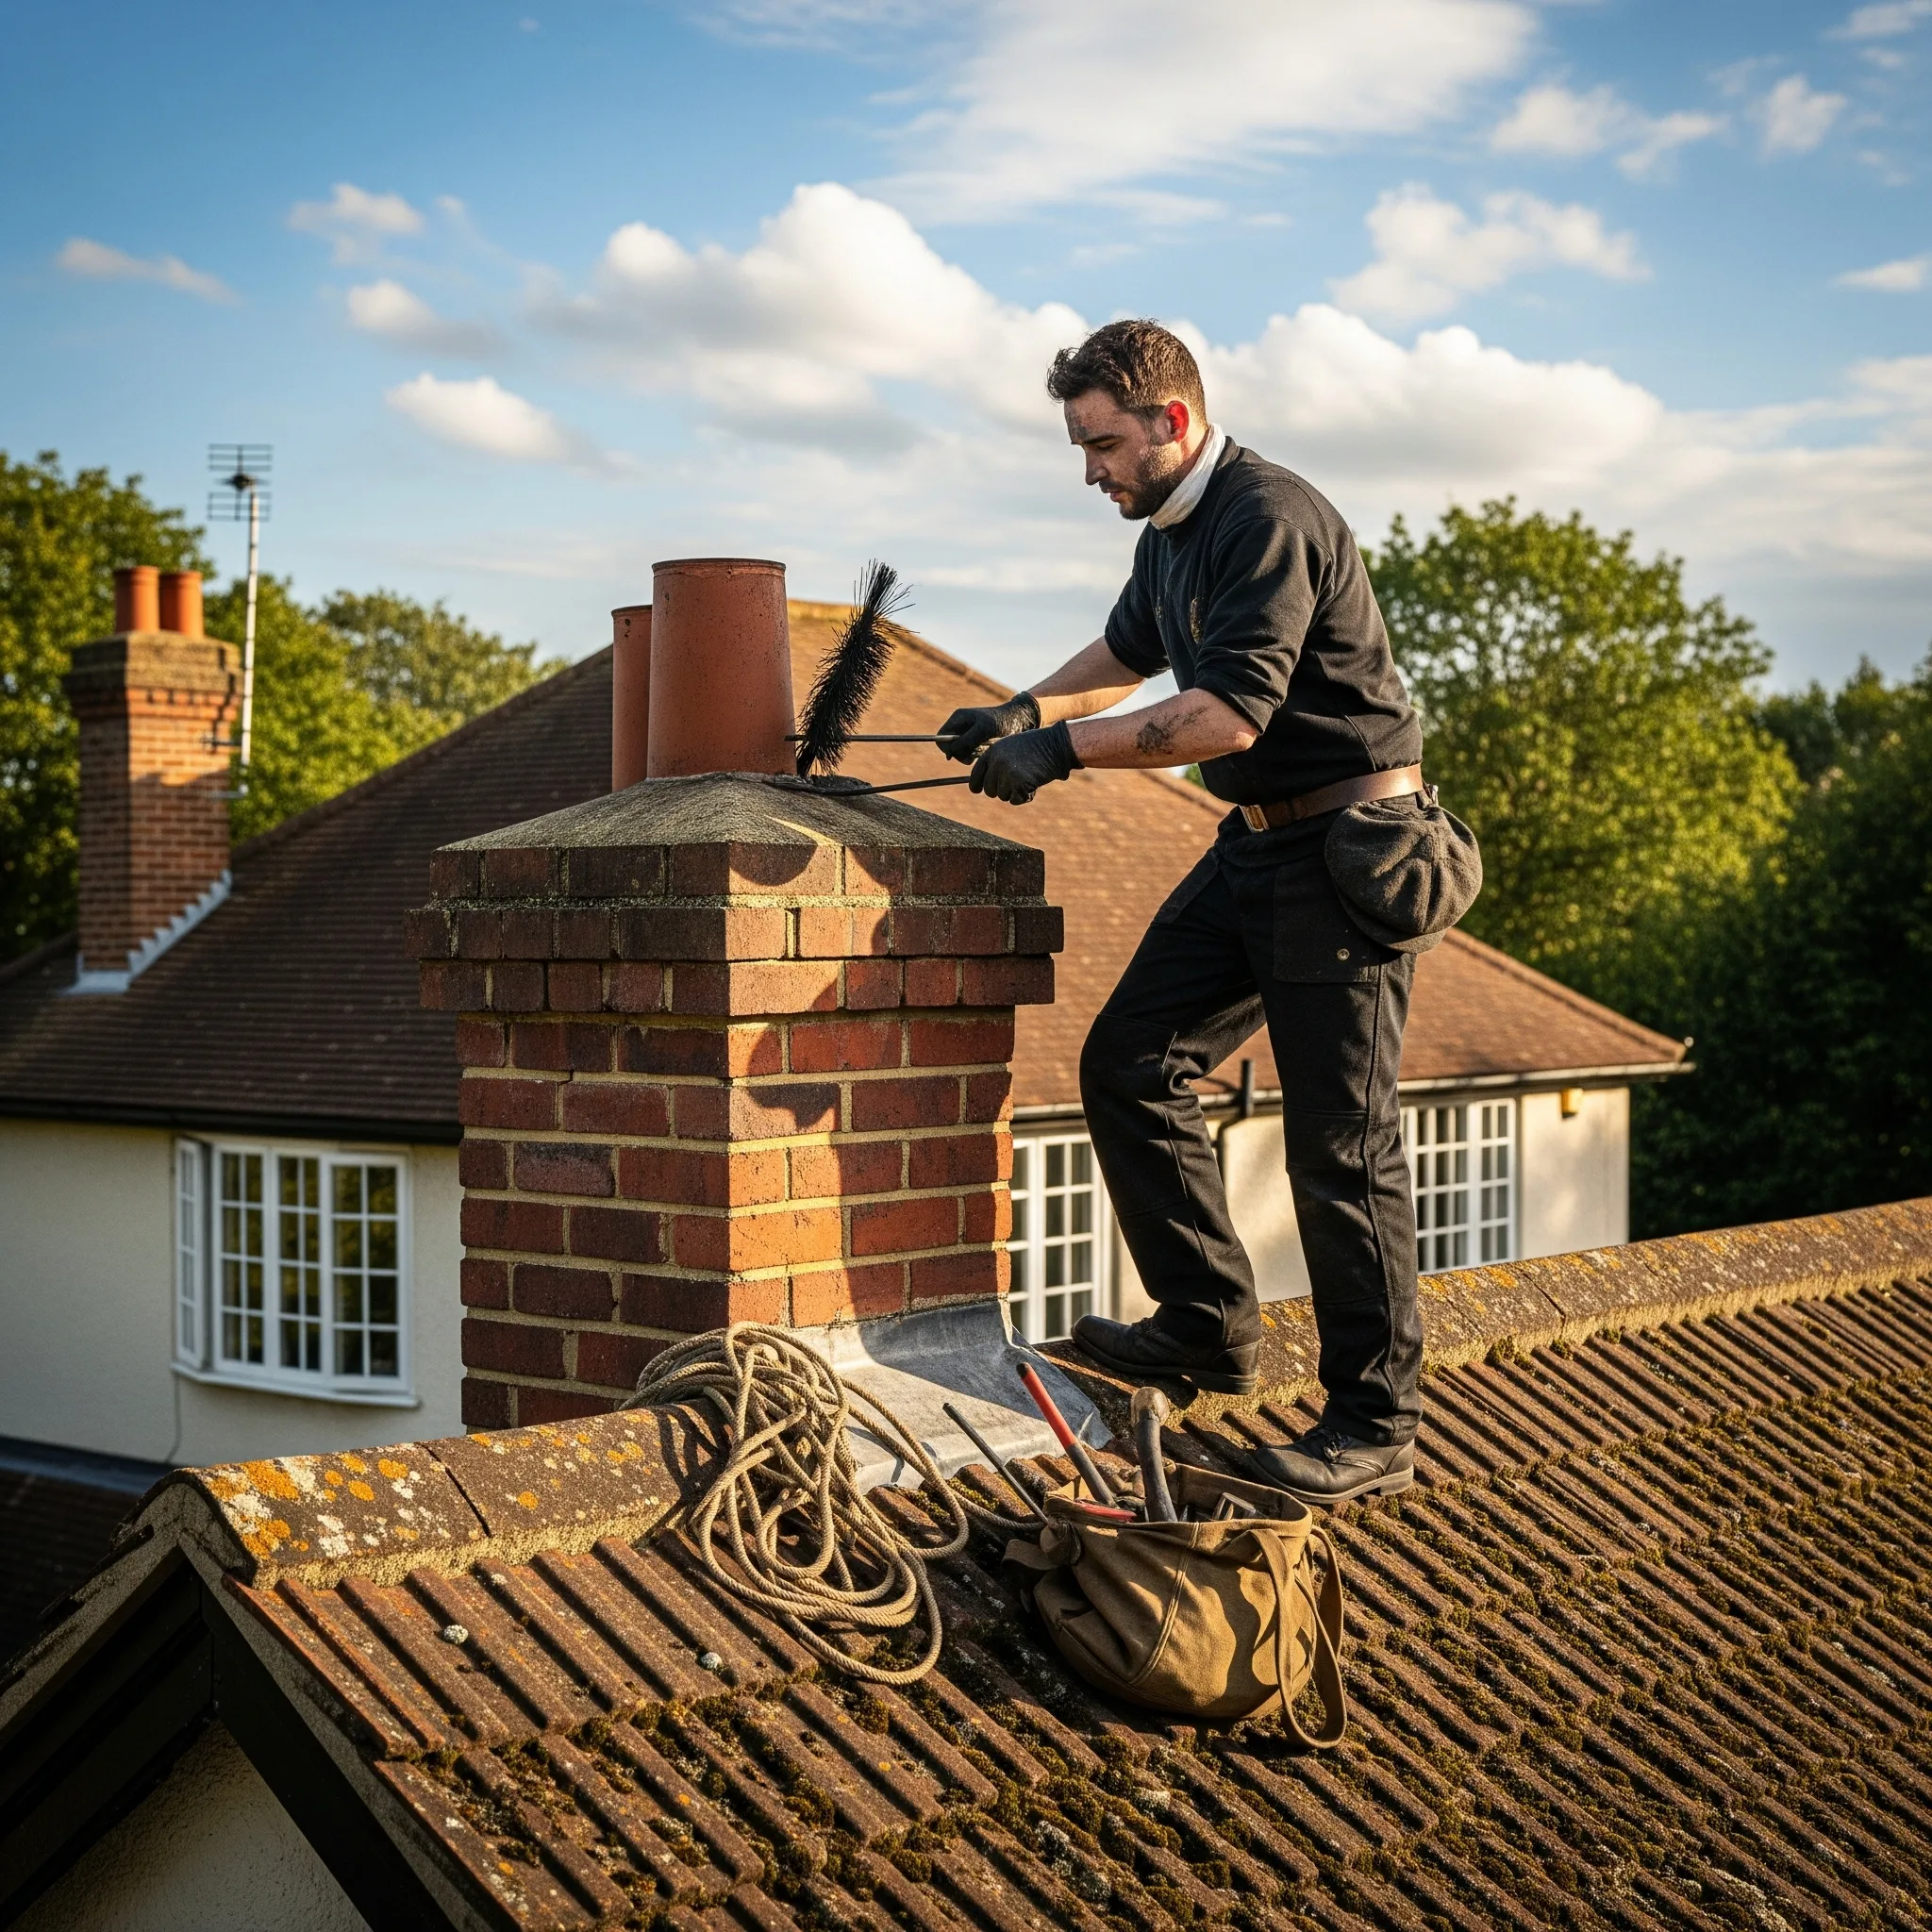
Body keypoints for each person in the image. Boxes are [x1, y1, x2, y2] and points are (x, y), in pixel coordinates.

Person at [936, 319, 1425, 1505]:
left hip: (1349, 849)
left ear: (1171, 421)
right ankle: (1206, 1323)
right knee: (1128, 1060)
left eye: (1101, 443)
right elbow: (1123, 652)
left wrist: (1058, 751)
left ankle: (1375, 1424)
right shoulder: (1168, 534)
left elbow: (1223, 718)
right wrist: (1016, 710)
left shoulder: (1266, 516)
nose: (1088, 469)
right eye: (1077, 446)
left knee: (1338, 1144)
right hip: (1258, 845)